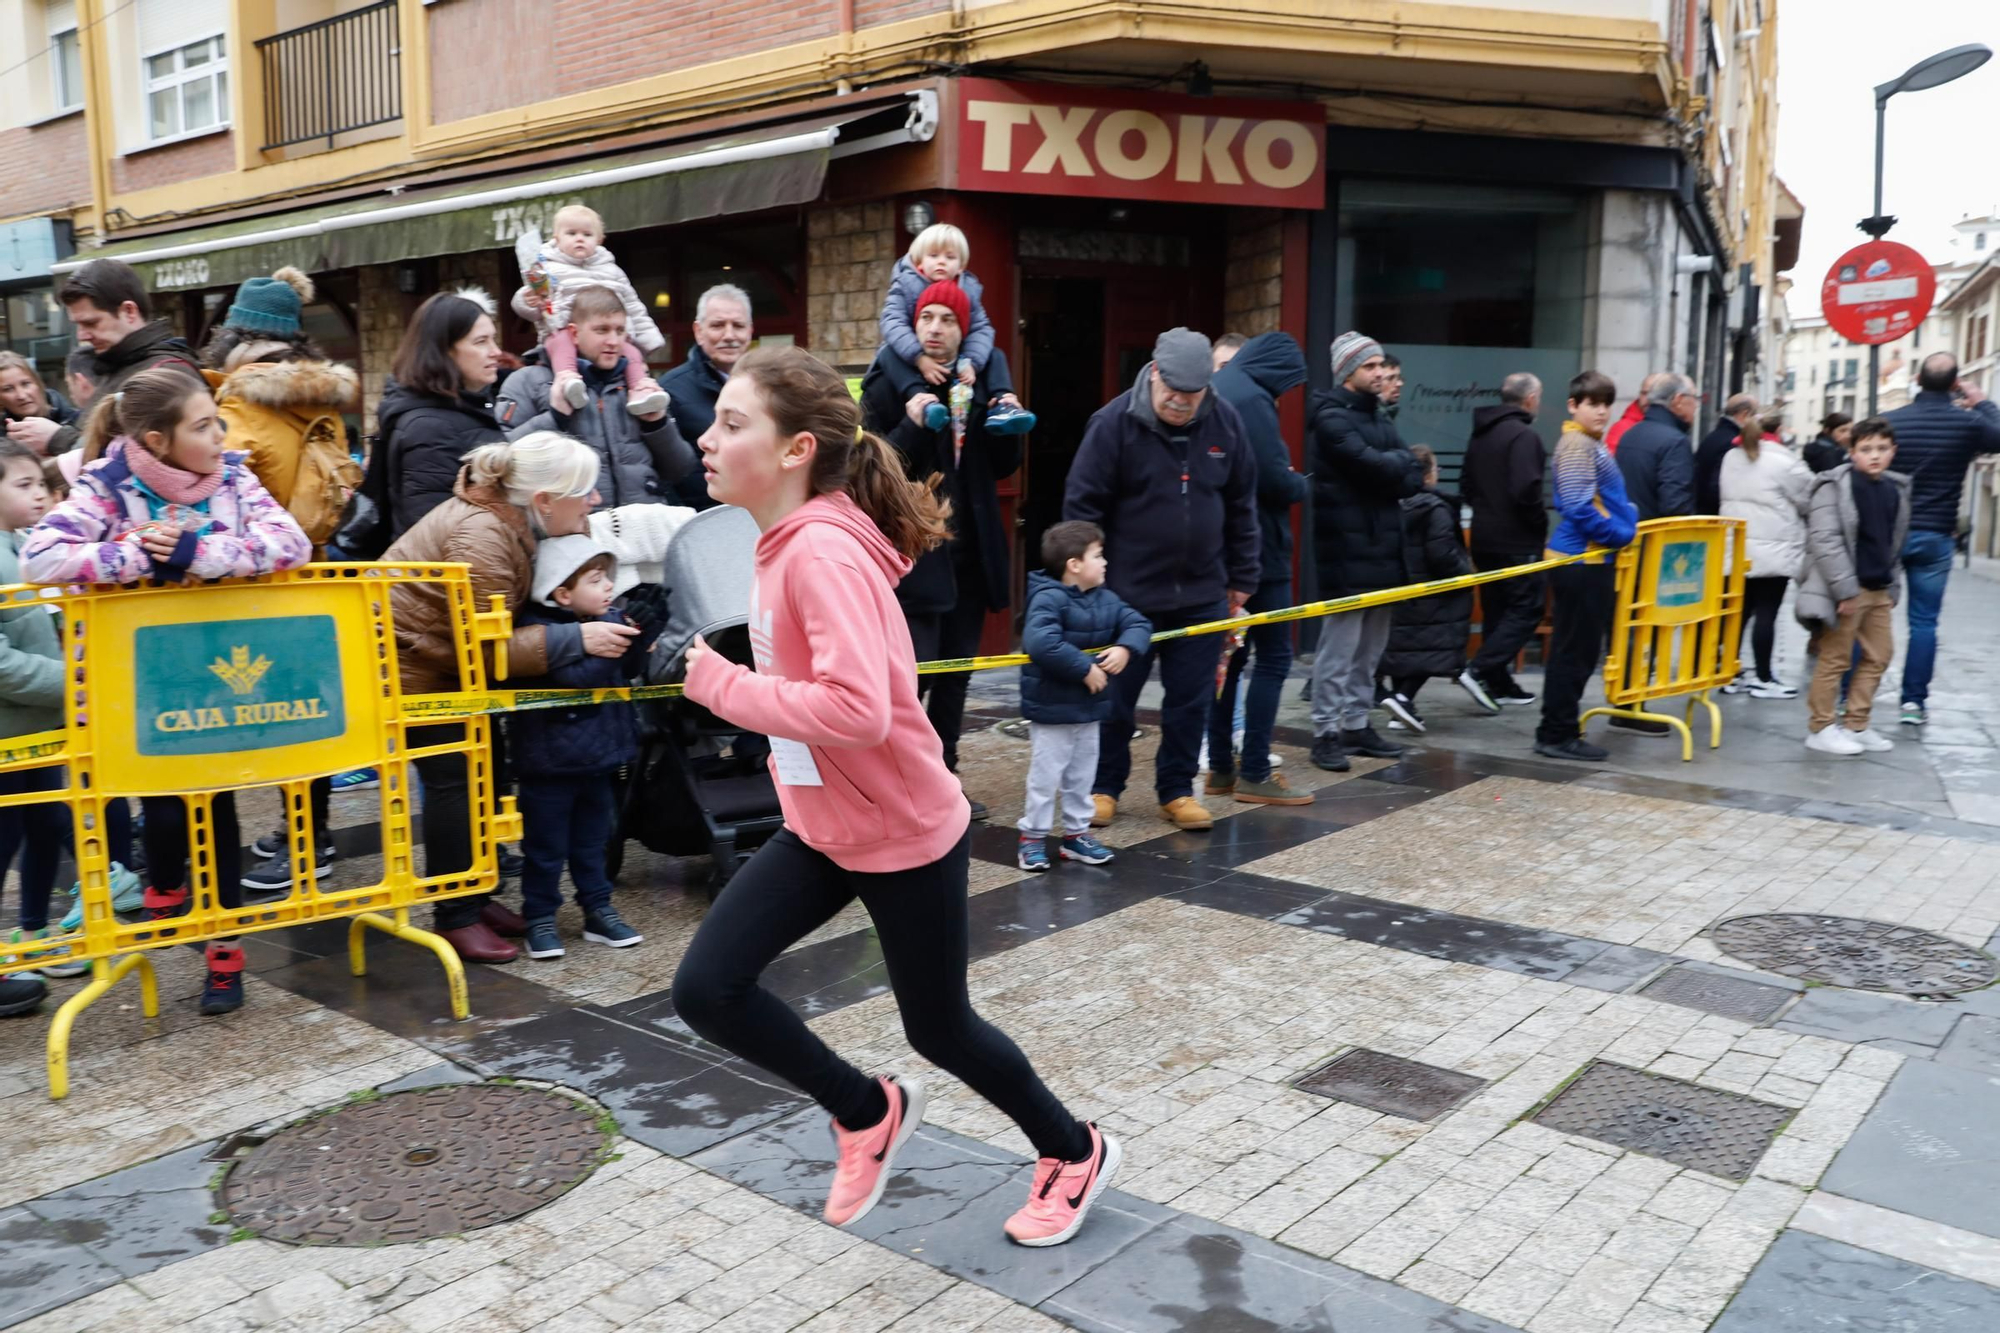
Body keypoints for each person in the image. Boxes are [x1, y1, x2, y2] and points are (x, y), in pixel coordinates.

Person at [672, 344, 1119, 1247]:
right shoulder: (785, 541)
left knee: (941, 1028)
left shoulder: (819, 555)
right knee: (708, 987)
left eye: (731, 423)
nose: (705, 438)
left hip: (903, 830)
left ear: (796, 449)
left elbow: (858, 710)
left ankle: (1075, 1150)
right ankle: (864, 1110)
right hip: (824, 824)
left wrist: (716, 684)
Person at [23, 368, 312, 1014]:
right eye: (203, 425)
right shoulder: (105, 484)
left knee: (218, 811)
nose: (220, 434)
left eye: (218, 420)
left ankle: (224, 954)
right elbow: (42, 556)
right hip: (140, 683)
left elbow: (291, 543)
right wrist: (137, 557)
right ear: (157, 438)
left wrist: (199, 551)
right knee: (163, 807)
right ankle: (163, 891)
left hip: (219, 677)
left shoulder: (235, 476)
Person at [382, 432, 625, 965]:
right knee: (454, 783)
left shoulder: (504, 523)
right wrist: (575, 638)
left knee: (481, 776)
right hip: (415, 672)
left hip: (437, 665)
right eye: (584, 491)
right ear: (543, 501)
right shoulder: (485, 536)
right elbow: (482, 647)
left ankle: (475, 895)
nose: (595, 501)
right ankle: (456, 917)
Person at [1063, 327, 1258, 832]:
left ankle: (1176, 790)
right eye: (1172, 390)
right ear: (1153, 373)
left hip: (1203, 593)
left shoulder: (1226, 423)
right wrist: (1089, 582)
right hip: (1124, 596)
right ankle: (1103, 787)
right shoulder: (1111, 425)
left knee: (1191, 699)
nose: (1180, 402)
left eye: (1192, 395)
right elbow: (1082, 511)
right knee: (1114, 700)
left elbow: (1242, 506)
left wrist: (1243, 576)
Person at [859, 281, 1020, 814]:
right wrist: (911, 421)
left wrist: (1000, 424)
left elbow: (1003, 467)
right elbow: (873, 469)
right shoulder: (885, 383)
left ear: (963, 330)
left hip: (970, 557)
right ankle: (900, 783)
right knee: (914, 680)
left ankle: (944, 779)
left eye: (946, 320)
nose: (935, 328)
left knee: (955, 679)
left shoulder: (977, 381)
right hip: (915, 558)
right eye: (926, 317)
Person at [510, 536, 661, 959]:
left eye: (608, 579)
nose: (609, 588)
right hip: (548, 765)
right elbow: (580, 678)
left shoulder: (607, 619)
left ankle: (599, 909)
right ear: (562, 591)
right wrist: (625, 638)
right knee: (544, 847)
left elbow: (627, 669)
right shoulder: (538, 635)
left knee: (594, 842)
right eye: (596, 580)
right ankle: (539, 918)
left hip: (599, 759)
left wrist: (646, 630)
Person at [1306, 332, 1423, 772]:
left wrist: (1395, 466)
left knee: (1371, 650)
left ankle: (1356, 724)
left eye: (1381, 366)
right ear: (1347, 371)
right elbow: (1373, 466)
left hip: (1383, 548)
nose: (1379, 373)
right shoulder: (1331, 417)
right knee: (1339, 649)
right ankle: (1325, 732)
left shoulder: (1379, 416)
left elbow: (1412, 474)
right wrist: (1396, 465)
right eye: (1370, 366)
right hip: (1346, 550)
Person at [1206, 332, 1311, 804]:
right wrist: (1298, 483)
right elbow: (1272, 478)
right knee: (1273, 657)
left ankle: (1222, 769)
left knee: (1228, 659)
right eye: (1287, 384)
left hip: (1220, 548)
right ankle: (1255, 772)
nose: (1284, 394)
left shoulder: (1222, 387)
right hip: (1260, 552)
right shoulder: (1252, 397)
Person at [1016, 521, 1150, 871]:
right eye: (1098, 555)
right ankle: (1031, 838)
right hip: (1051, 708)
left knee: (1082, 776)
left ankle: (1076, 835)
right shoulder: (1047, 598)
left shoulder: (1107, 599)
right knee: (1045, 777)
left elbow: (1139, 624)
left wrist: (1125, 648)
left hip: (1090, 710)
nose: (1106, 562)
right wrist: (1084, 668)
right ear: (1074, 564)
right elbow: (1041, 642)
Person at [1880, 352, 2000, 726]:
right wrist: (1980, 400)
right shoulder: (1968, 423)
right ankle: (1913, 703)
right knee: (1924, 623)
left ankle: (1849, 694)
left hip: (1890, 532)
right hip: (1935, 534)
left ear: (1916, 379)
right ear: (1954, 384)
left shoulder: (1890, 422)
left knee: (1870, 616)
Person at [498, 285, 697, 508]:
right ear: (574, 333)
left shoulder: (638, 388)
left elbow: (681, 469)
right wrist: (554, 418)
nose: (613, 341)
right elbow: (500, 460)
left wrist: (657, 424)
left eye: (620, 331)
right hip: (572, 531)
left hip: (643, 529)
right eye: (602, 330)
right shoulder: (527, 381)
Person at [1532, 370, 1638, 762]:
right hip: (1582, 558)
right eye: (1593, 403)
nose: (1602, 411)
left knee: (1575, 649)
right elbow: (1578, 505)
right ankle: (1556, 734)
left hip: (1587, 557)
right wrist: (1620, 534)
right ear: (1573, 405)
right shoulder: (1578, 443)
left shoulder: (1587, 442)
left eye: (1606, 403)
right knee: (1573, 651)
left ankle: (1558, 730)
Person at [0, 442, 76, 980]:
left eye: (39, 484)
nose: (39, 494)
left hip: (41, 728)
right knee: (4, 839)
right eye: (22, 485)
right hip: (8, 734)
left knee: (48, 825)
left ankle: (34, 932)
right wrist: (70, 683)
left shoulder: (23, 545)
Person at [1797, 418, 1909, 756]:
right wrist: (1844, 591)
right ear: (1852, 451)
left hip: (1878, 588)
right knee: (1835, 658)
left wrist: (1893, 588)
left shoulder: (1895, 488)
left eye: (1881, 449)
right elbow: (1825, 540)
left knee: (1879, 656)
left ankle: (1857, 723)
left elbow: (1894, 542)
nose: (1874, 456)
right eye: (1866, 449)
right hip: (1847, 588)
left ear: (1893, 451)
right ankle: (1821, 727)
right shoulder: (1834, 486)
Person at [510, 204, 668, 418]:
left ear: (600, 240)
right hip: (562, 328)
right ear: (557, 238)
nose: (579, 239)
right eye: (571, 233)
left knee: (631, 352)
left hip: (610, 332)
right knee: (561, 342)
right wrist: (528, 300)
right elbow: (536, 307)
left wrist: (647, 337)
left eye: (587, 234)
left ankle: (640, 390)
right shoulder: (547, 268)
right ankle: (568, 379)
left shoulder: (612, 271)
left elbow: (632, 305)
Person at [375, 289, 507, 541]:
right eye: (481, 342)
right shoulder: (428, 427)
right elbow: (434, 535)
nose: (496, 351)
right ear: (445, 350)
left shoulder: (469, 408)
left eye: (494, 339)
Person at [877, 223, 1034, 434]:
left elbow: (981, 328)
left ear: (961, 266)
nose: (941, 261)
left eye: (950, 257)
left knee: (995, 354)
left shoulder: (968, 290)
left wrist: (972, 362)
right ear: (919, 261)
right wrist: (919, 357)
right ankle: (923, 402)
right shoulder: (906, 284)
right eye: (933, 255)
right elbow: (892, 321)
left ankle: (1004, 403)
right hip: (911, 355)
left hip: (954, 358)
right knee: (888, 353)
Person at [1459, 372, 1549, 708]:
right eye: (1538, 396)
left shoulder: (1480, 435)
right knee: (1527, 608)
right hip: (1517, 540)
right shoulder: (1523, 437)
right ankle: (1481, 669)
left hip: (1484, 536)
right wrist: (1538, 524)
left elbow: (1466, 485)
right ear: (1529, 399)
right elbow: (1526, 490)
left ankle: (1497, 679)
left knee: (1499, 608)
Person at [53, 259, 201, 457]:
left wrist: (58, 439)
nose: (82, 335)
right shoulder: (118, 362)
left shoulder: (167, 371)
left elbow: (140, 459)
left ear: (129, 311)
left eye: (91, 323)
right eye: (78, 325)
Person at [1376, 446, 1475, 733]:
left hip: (1403, 587)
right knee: (1434, 649)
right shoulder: (1436, 507)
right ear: (1427, 474)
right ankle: (1403, 698)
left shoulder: (1395, 504)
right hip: (1433, 593)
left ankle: (1402, 707)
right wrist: (1465, 573)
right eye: (1436, 469)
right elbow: (1442, 553)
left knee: (1404, 650)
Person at [1718, 422, 1810, 698]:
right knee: (1767, 613)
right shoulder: (1784, 461)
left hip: (1737, 545)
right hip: (1774, 546)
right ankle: (1763, 677)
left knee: (1740, 612)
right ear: (1779, 430)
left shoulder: (1730, 456)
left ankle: (1729, 674)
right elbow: (1809, 496)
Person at [660, 284, 753, 509]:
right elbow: (664, 473)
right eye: (718, 325)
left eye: (738, 326)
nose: (729, 335)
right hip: (702, 521)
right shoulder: (669, 391)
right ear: (698, 331)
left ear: (750, 331)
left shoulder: (767, 386)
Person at [1615, 372, 1698, 521]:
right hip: (1656, 540)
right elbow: (1676, 507)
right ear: (1678, 400)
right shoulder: (1676, 442)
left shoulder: (1630, 434)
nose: (1696, 406)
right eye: (1693, 398)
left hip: (1627, 535)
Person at [0, 352, 79, 457]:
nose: (21, 395)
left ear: (38, 384)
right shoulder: (3, 440)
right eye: (8, 389)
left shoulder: (82, 420)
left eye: (26, 384)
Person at [1694, 392, 1759, 515]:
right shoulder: (1734, 443)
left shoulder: (1712, 437)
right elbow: (1719, 487)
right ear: (1745, 414)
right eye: (1756, 416)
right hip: (1715, 518)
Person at [1604, 372, 1669, 455]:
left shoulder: (1670, 426)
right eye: (1644, 393)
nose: (1648, 398)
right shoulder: (1622, 428)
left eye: (1654, 394)